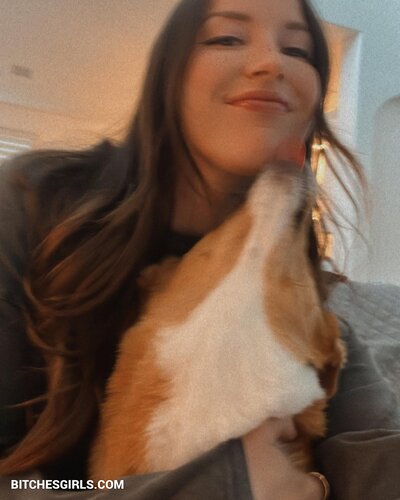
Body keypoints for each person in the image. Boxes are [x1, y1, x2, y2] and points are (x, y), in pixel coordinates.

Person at [0, 0, 399, 498]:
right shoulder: (35, 202)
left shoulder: (305, 285)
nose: (271, 62)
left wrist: (315, 484)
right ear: (167, 74)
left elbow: (374, 445)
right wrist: (221, 485)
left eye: (297, 50)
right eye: (226, 38)